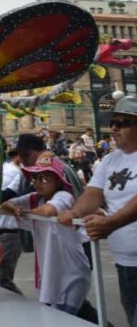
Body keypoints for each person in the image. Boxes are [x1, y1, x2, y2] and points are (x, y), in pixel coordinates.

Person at [59, 96, 137, 326]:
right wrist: (74, 212)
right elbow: (94, 193)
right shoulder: (110, 160)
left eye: (122, 122)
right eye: (113, 122)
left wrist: (110, 222)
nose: (113, 128)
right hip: (124, 261)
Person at [1, 154, 90, 316]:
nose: (37, 182)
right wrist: (13, 208)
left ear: (58, 180)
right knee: (65, 317)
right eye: (34, 178)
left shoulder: (64, 196)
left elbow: (48, 211)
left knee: (64, 318)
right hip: (50, 273)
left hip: (71, 273)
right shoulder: (35, 198)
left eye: (44, 178)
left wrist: (24, 211)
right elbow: (6, 204)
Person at [0, 149, 24, 294]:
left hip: (7, 229)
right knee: (2, 279)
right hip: (7, 229)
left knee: (2, 279)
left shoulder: (16, 172)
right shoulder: (16, 172)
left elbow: (5, 196)